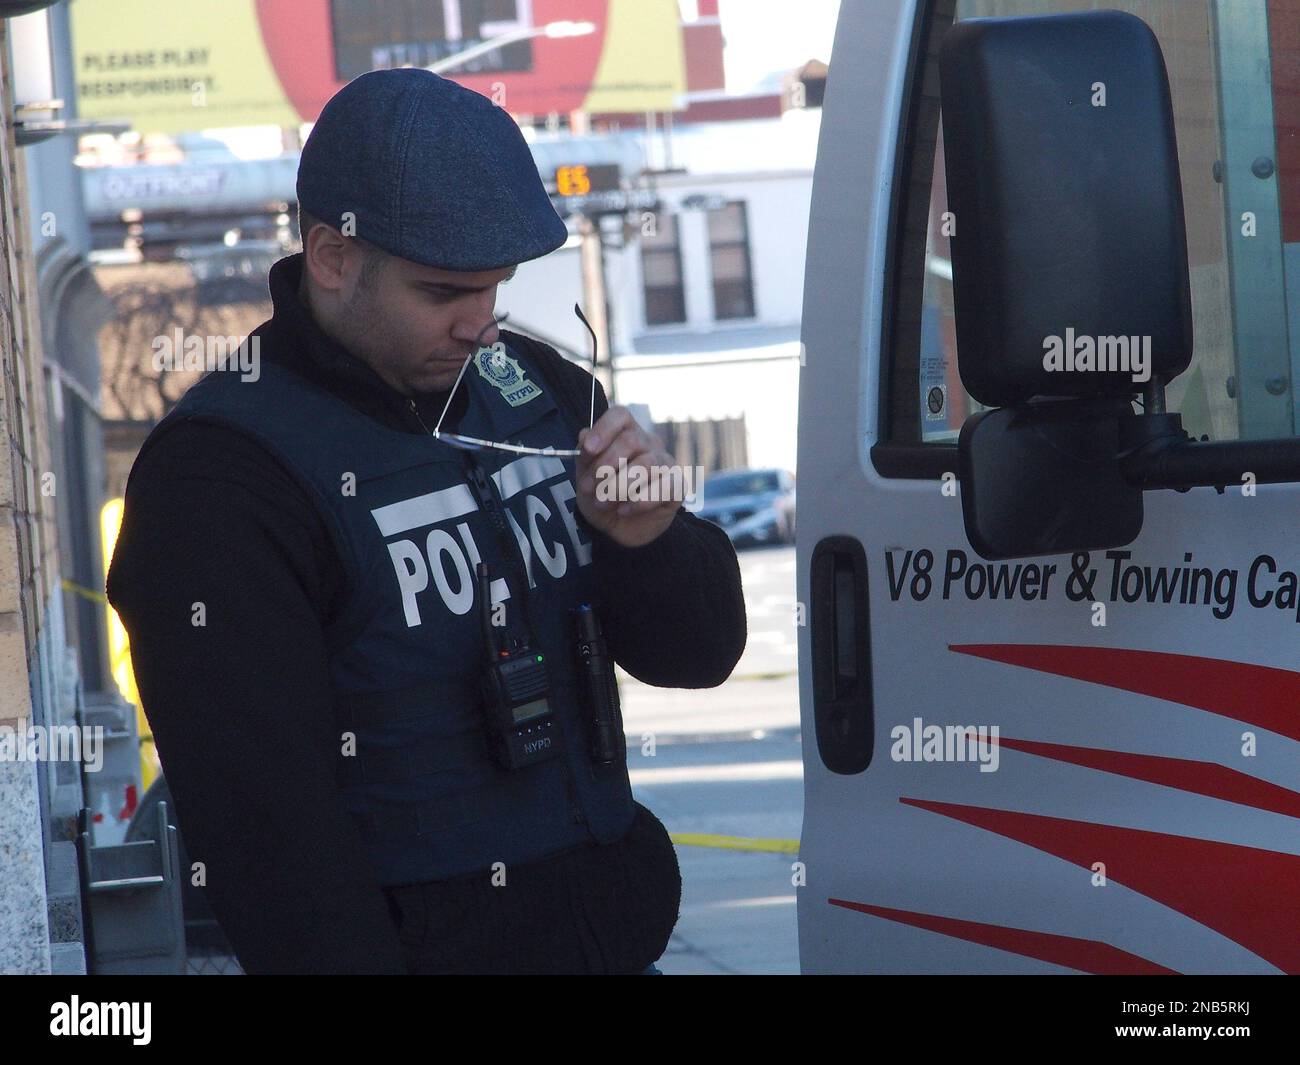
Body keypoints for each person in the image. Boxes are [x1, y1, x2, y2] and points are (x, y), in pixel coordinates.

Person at [106, 68, 747, 975]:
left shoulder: (529, 388)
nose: (480, 326)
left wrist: (649, 541)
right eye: (444, 293)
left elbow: (701, 653)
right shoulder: (224, 476)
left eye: (496, 289)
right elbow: (272, 848)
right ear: (332, 257)